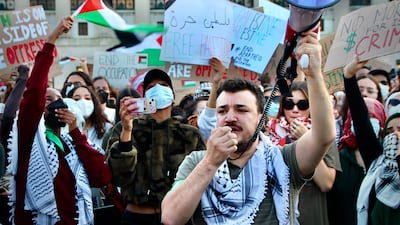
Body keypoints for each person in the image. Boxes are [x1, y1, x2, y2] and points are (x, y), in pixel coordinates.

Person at [161, 31, 336, 225]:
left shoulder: (284, 161)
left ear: (260, 117)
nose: (230, 117)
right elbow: (170, 217)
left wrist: (314, 75)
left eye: (241, 109)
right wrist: (210, 163)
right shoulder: (197, 162)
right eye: (222, 111)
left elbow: (324, 137)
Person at [8, 16, 112, 225]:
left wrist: (75, 132)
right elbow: (35, 89)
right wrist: (51, 39)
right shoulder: (30, 137)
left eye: (59, 99)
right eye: (47, 100)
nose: (55, 103)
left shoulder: (73, 143)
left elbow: (101, 176)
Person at [105, 68, 206, 225]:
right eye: (151, 87)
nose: (158, 89)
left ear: (172, 96)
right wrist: (127, 131)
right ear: (144, 96)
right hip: (136, 218)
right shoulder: (125, 128)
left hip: (178, 219)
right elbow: (120, 177)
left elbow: (202, 178)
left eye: (164, 85)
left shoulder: (190, 134)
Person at [267, 80, 340, 225]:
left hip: (309, 213)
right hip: (275, 214)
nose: (295, 110)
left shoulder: (323, 136)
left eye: (302, 105)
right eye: (289, 104)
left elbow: (326, 183)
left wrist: (307, 139)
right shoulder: (269, 135)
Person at [328, 56, 387, 225]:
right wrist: (349, 76)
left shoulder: (384, 157)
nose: (367, 123)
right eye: (364, 118)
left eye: (373, 118)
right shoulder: (340, 158)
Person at [356, 113, 400, 225]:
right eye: (389, 132)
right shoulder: (377, 164)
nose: (395, 134)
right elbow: (361, 123)